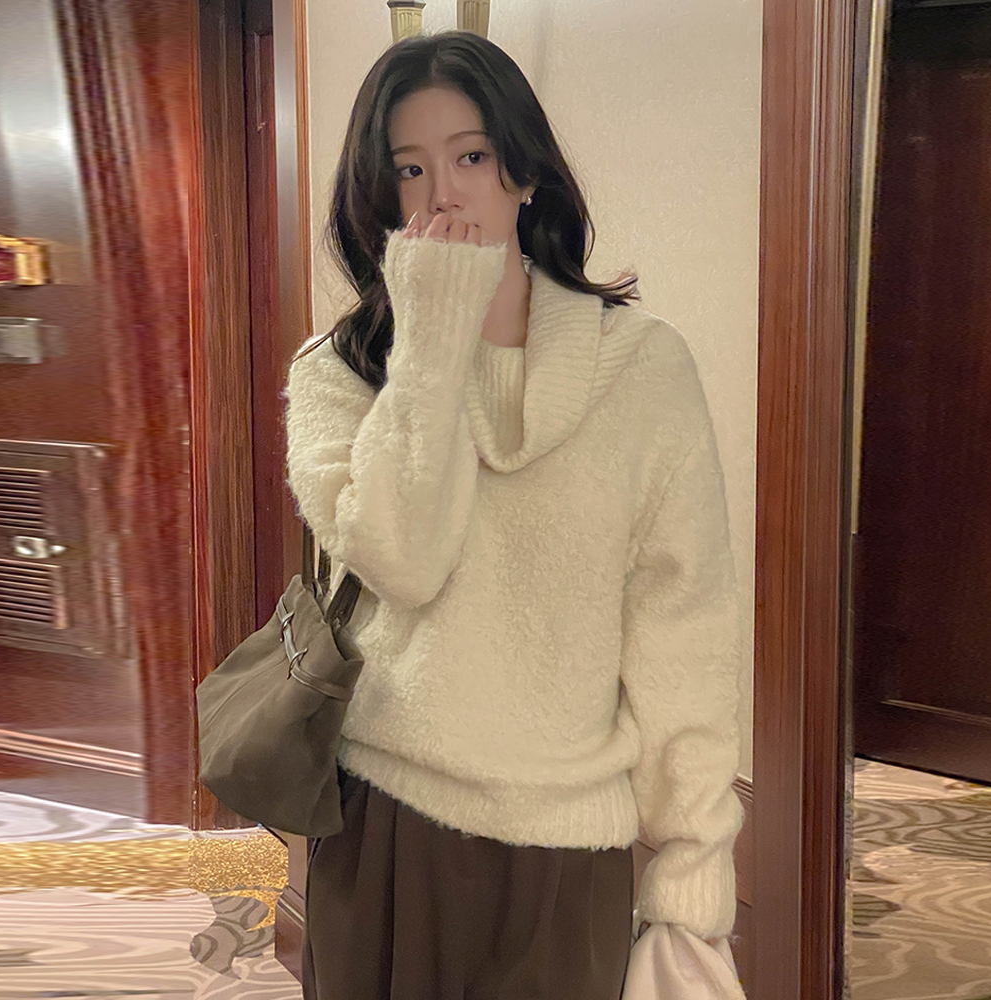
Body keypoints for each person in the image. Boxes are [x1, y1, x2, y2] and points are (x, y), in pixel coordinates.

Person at [285, 30, 744, 1000]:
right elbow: (404, 561)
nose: (443, 194)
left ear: (523, 173)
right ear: (379, 195)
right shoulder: (337, 373)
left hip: (568, 842)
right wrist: (431, 340)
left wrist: (695, 847)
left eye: (471, 156)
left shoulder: (643, 367)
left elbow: (682, 624)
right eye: (409, 168)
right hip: (385, 823)